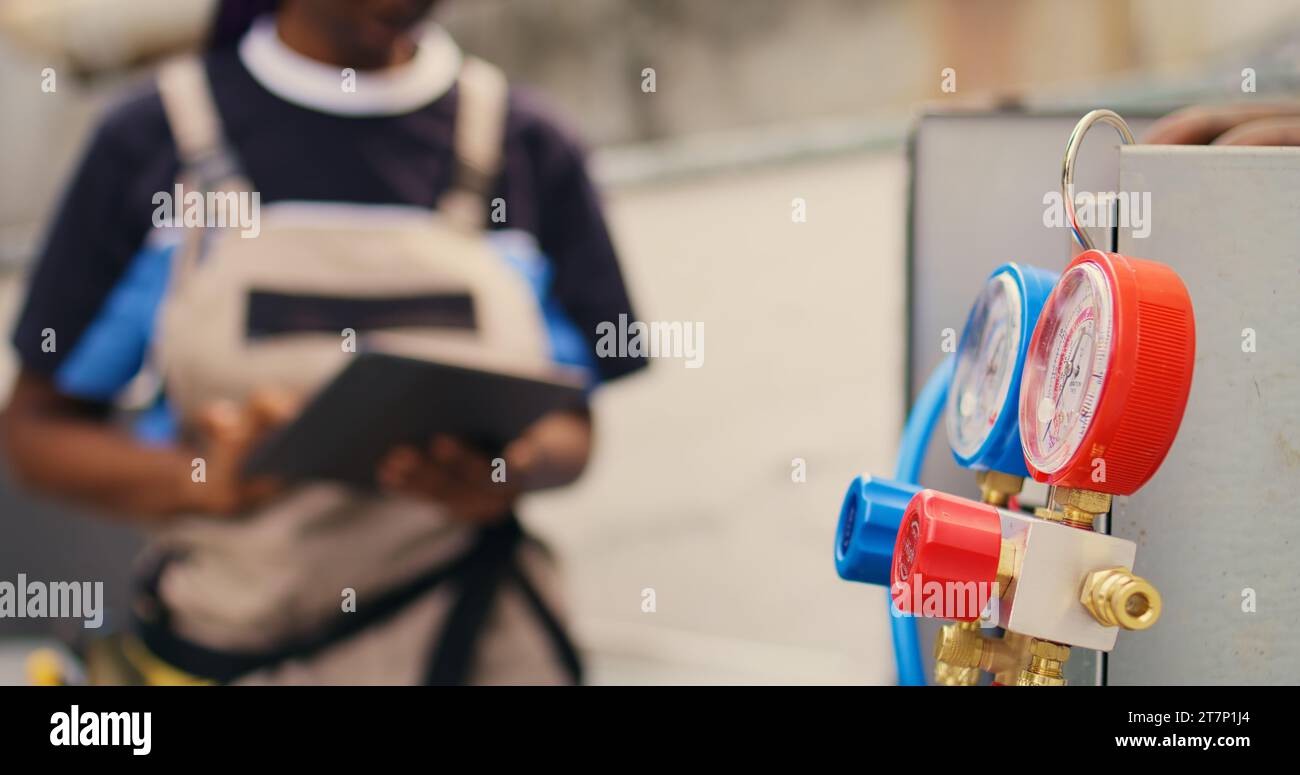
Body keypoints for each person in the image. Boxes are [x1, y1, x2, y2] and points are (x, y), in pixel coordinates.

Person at [2, 0, 645, 684]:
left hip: (476, 637)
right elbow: (36, 432)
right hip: (238, 645)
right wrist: (198, 479)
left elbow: (571, 423)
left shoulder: (530, 145)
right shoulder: (150, 143)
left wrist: (506, 469)